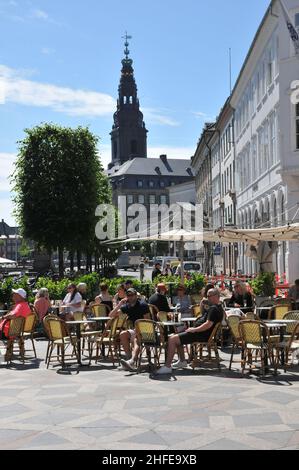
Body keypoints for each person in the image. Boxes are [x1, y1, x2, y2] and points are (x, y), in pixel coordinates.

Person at [157, 288, 224, 374]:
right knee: (176, 335)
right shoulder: (217, 307)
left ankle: (167, 366)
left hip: (201, 334)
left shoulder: (214, 309)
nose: (207, 298)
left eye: (208, 296)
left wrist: (194, 329)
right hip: (201, 333)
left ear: (215, 296)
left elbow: (208, 325)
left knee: (172, 339)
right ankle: (182, 361)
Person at [109, 288, 149, 371]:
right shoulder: (127, 306)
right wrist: (119, 304)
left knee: (136, 338)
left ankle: (132, 361)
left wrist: (139, 331)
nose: (130, 297)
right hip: (134, 330)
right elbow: (111, 315)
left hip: (145, 329)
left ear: (136, 296)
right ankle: (129, 359)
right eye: (128, 295)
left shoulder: (142, 305)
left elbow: (147, 321)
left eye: (132, 295)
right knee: (123, 334)